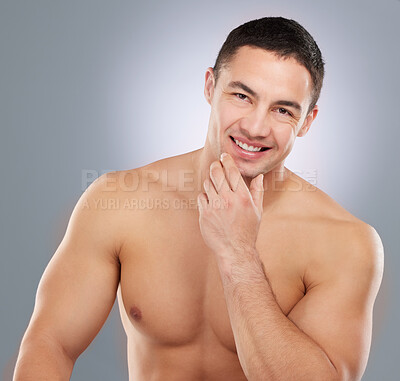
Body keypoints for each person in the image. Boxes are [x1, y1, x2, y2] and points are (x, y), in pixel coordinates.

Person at [13, 16, 384, 381]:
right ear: (210, 86)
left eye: (282, 110)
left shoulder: (345, 242)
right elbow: (50, 343)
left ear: (306, 122)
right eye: (241, 96)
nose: (255, 127)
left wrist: (238, 252)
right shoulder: (119, 203)